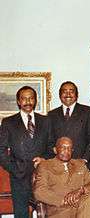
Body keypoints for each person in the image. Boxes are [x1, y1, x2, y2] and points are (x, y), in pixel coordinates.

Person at [0, 86, 54, 217]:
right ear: (18, 101)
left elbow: (51, 147)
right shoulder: (8, 122)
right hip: (19, 177)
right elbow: (1, 151)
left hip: (42, 176)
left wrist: (44, 159)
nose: (28, 101)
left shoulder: (46, 121)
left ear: (35, 100)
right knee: (21, 213)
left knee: (47, 213)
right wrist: (15, 169)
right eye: (24, 99)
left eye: (31, 98)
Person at [33, 137, 90, 218]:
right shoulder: (45, 166)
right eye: (63, 148)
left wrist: (81, 190)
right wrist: (64, 200)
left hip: (82, 208)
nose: (67, 151)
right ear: (55, 150)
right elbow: (39, 191)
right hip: (59, 210)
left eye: (69, 148)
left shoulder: (79, 165)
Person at [48, 81, 90, 171]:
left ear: (77, 95)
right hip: (59, 165)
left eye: (71, 91)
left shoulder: (87, 111)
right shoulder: (52, 114)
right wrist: (56, 158)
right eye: (64, 91)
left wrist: (85, 159)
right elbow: (50, 140)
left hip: (82, 164)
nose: (68, 94)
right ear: (60, 95)